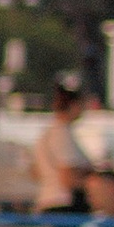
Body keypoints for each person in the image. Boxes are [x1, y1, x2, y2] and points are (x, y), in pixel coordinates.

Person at [30, 85, 90, 218]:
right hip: (63, 204)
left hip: (47, 201)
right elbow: (67, 177)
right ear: (74, 106)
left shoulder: (47, 134)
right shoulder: (62, 134)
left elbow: (35, 172)